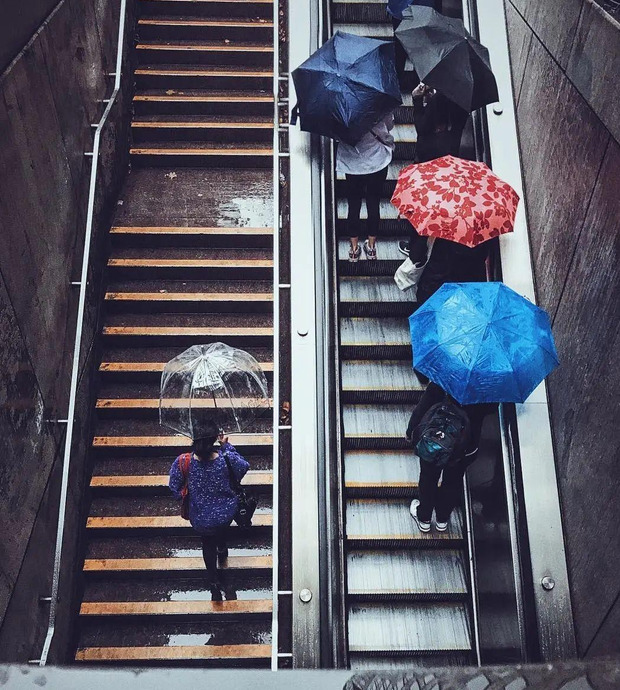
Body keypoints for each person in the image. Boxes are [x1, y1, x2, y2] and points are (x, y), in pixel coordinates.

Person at [169, 420, 250, 600]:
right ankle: (222, 548)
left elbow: (174, 488)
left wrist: (188, 497)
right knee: (220, 531)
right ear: (215, 438)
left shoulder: (184, 462)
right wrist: (226, 445)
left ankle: (213, 581)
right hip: (225, 514)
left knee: (207, 543)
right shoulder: (225, 458)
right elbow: (244, 467)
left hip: (200, 517)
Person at [406, 381, 496, 531]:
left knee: (428, 477)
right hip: (465, 445)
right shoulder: (486, 386)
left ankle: (424, 518)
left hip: (436, 439)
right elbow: (492, 408)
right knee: (453, 481)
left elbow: (425, 404)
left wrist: (411, 431)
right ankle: (442, 519)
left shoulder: (445, 377)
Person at [336, 112, 395, 262]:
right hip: (377, 160)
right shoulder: (379, 102)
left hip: (352, 163)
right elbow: (389, 126)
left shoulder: (341, 109)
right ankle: (372, 247)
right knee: (373, 202)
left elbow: (336, 135)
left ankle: (354, 250)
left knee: (353, 205)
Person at [387, 1, 443, 81]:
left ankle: (397, 78)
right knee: (419, 47)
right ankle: (416, 79)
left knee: (400, 47)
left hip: (401, 10)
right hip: (421, 10)